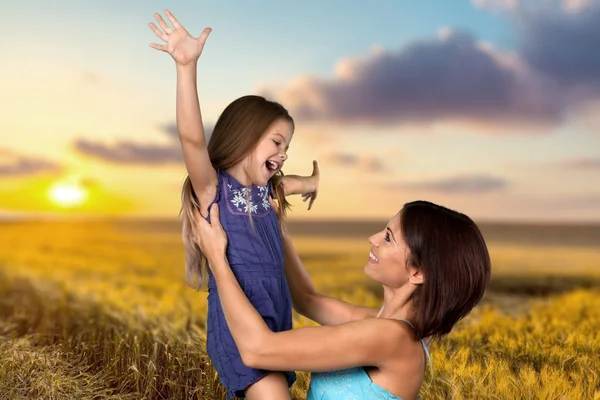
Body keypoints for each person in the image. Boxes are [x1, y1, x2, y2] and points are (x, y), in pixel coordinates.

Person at [148, 10, 320, 400]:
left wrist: (312, 182)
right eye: (277, 142)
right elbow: (192, 139)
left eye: (288, 147)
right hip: (238, 320)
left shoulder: (267, 192)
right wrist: (186, 67)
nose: (284, 154)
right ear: (246, 135)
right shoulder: (212, 190)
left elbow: (289, 184)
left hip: (276, 317)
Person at [193, 200, 491, 400]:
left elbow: (258, 350)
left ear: (418, 272)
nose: (373, 239)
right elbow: (308, 299)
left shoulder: (390, 337)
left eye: (388, 237)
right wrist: (276, 226)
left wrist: (218, 259)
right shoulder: (380, 324)